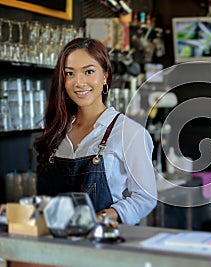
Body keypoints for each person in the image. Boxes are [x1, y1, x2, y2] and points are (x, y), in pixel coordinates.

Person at [34, 38, 157, 225]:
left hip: (104, 242)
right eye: (70, 74)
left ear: (105, 76)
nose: (79, 82)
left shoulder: (128, 132)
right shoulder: (57, 130)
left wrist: (102, 217)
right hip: (53, 242)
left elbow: (145, 198)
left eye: (89, 71)